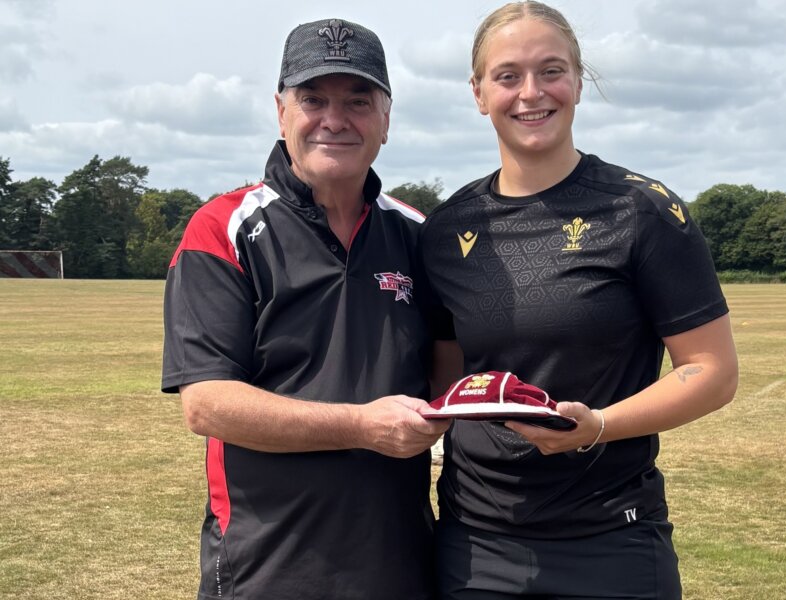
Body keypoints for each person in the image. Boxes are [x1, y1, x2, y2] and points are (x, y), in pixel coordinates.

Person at [420, 2, 739, 598]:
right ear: (478, 91)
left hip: (611, 539)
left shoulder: (641, 210)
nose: (531, 93)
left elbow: (713, 372)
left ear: (579, 80)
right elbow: (448, 379)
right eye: (508, 75)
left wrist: (599, 426)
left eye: (552, 70)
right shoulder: (446, 229)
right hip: (475, 546)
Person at [162, 18, 449, 600]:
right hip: (266, 567)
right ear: (280, 111)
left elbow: (451, 373)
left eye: (358, 100)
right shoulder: (222, 228)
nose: (335, 119)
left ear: (386, 119)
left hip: (401, 563)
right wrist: (363, 426)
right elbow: (209, 404)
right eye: (313, 98)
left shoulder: (420, 236)